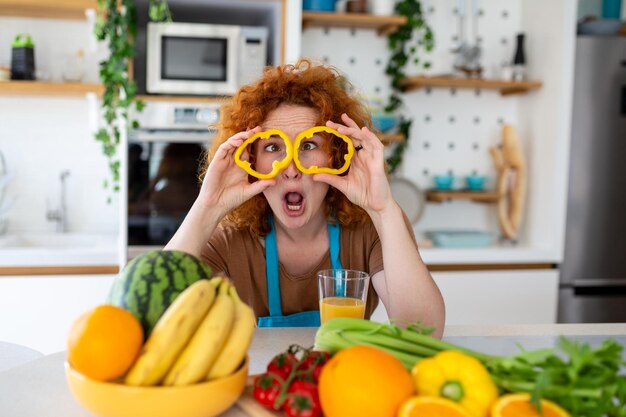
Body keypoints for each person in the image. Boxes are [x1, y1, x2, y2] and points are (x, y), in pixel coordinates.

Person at [165, 60, 445, 337]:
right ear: (250, 159)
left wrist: (384, 211)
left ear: (336, 154)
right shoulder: (227, 237)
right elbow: (157, 319)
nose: (291, 167)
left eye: (309, 145)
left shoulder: (374, 227)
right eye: (273, 147)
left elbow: (423, 333)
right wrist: (207, 207)